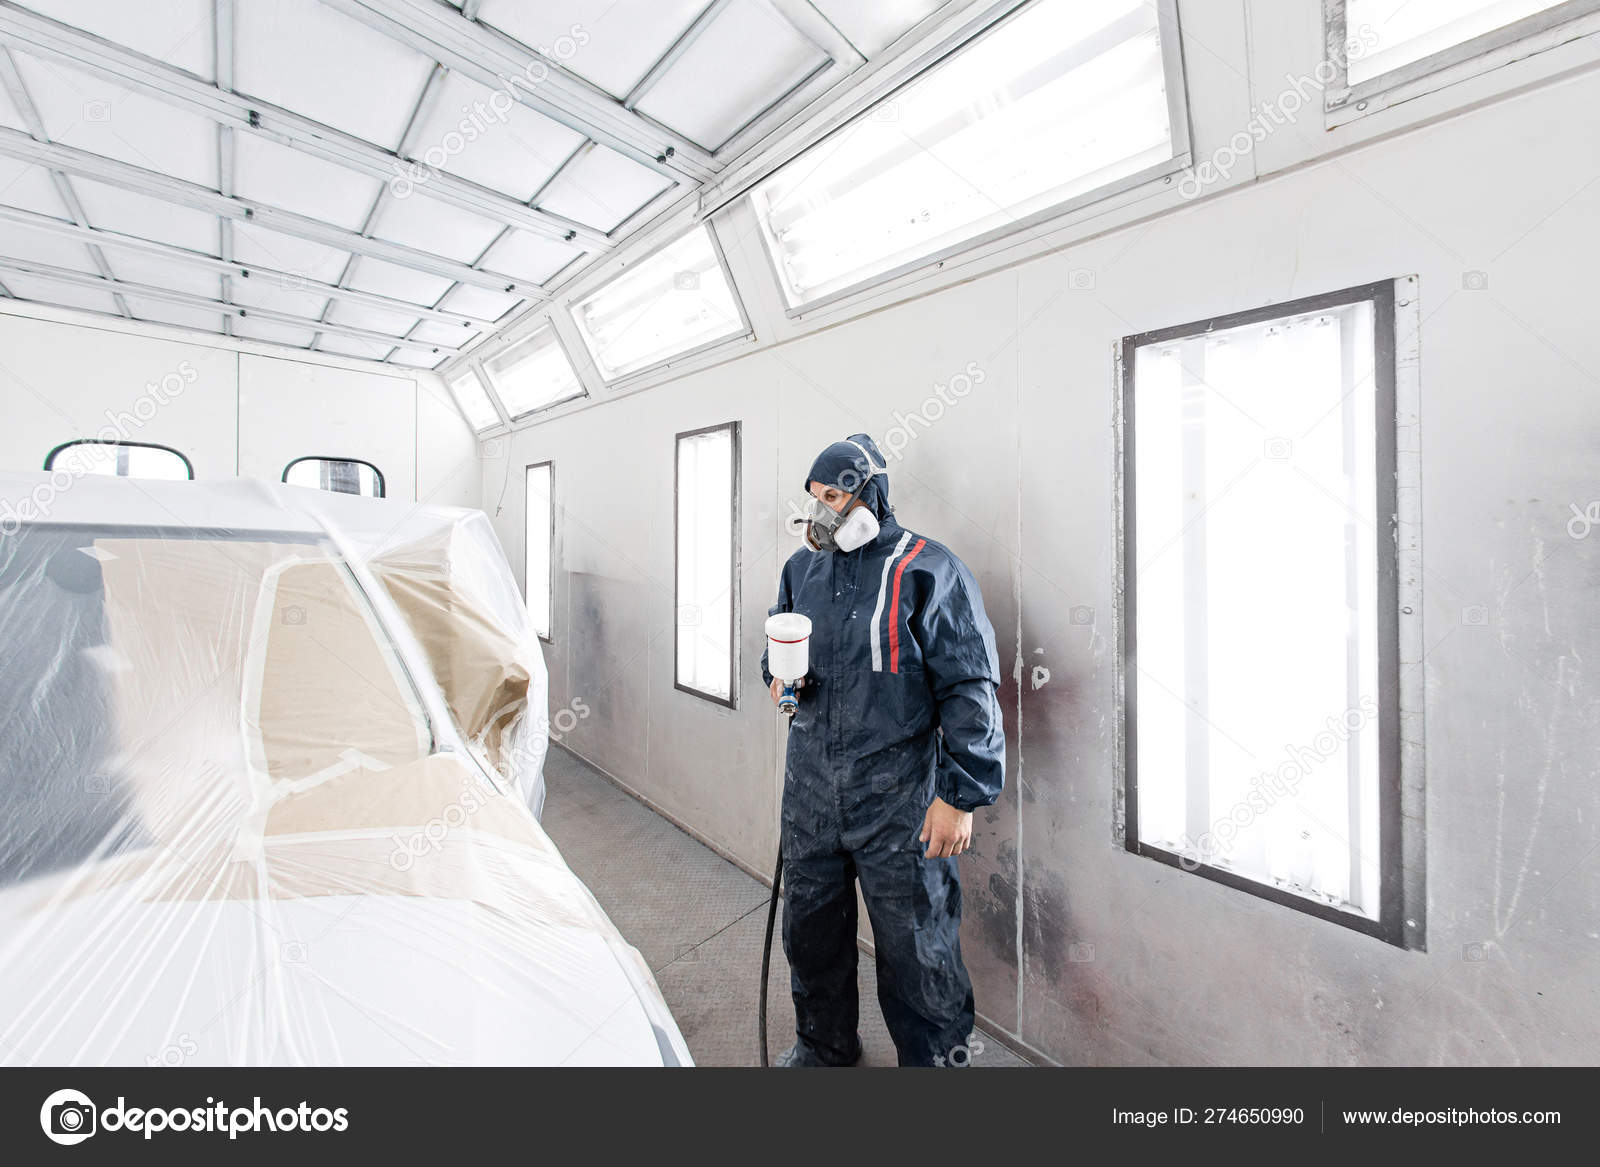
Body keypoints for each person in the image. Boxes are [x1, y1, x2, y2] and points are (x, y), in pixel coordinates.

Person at [762, 434, 1005, 1067]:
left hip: (899, 800)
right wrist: (778, 675)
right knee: (810, 935)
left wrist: (960, 796)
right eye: (815, 498)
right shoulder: (800, 571)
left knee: (918, 952)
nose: (823, 513)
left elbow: (969, 684)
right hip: (811, 792)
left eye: (835, 495)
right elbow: (778, 648)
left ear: (870, 495)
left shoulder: (928, 568)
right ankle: (823, 1046)